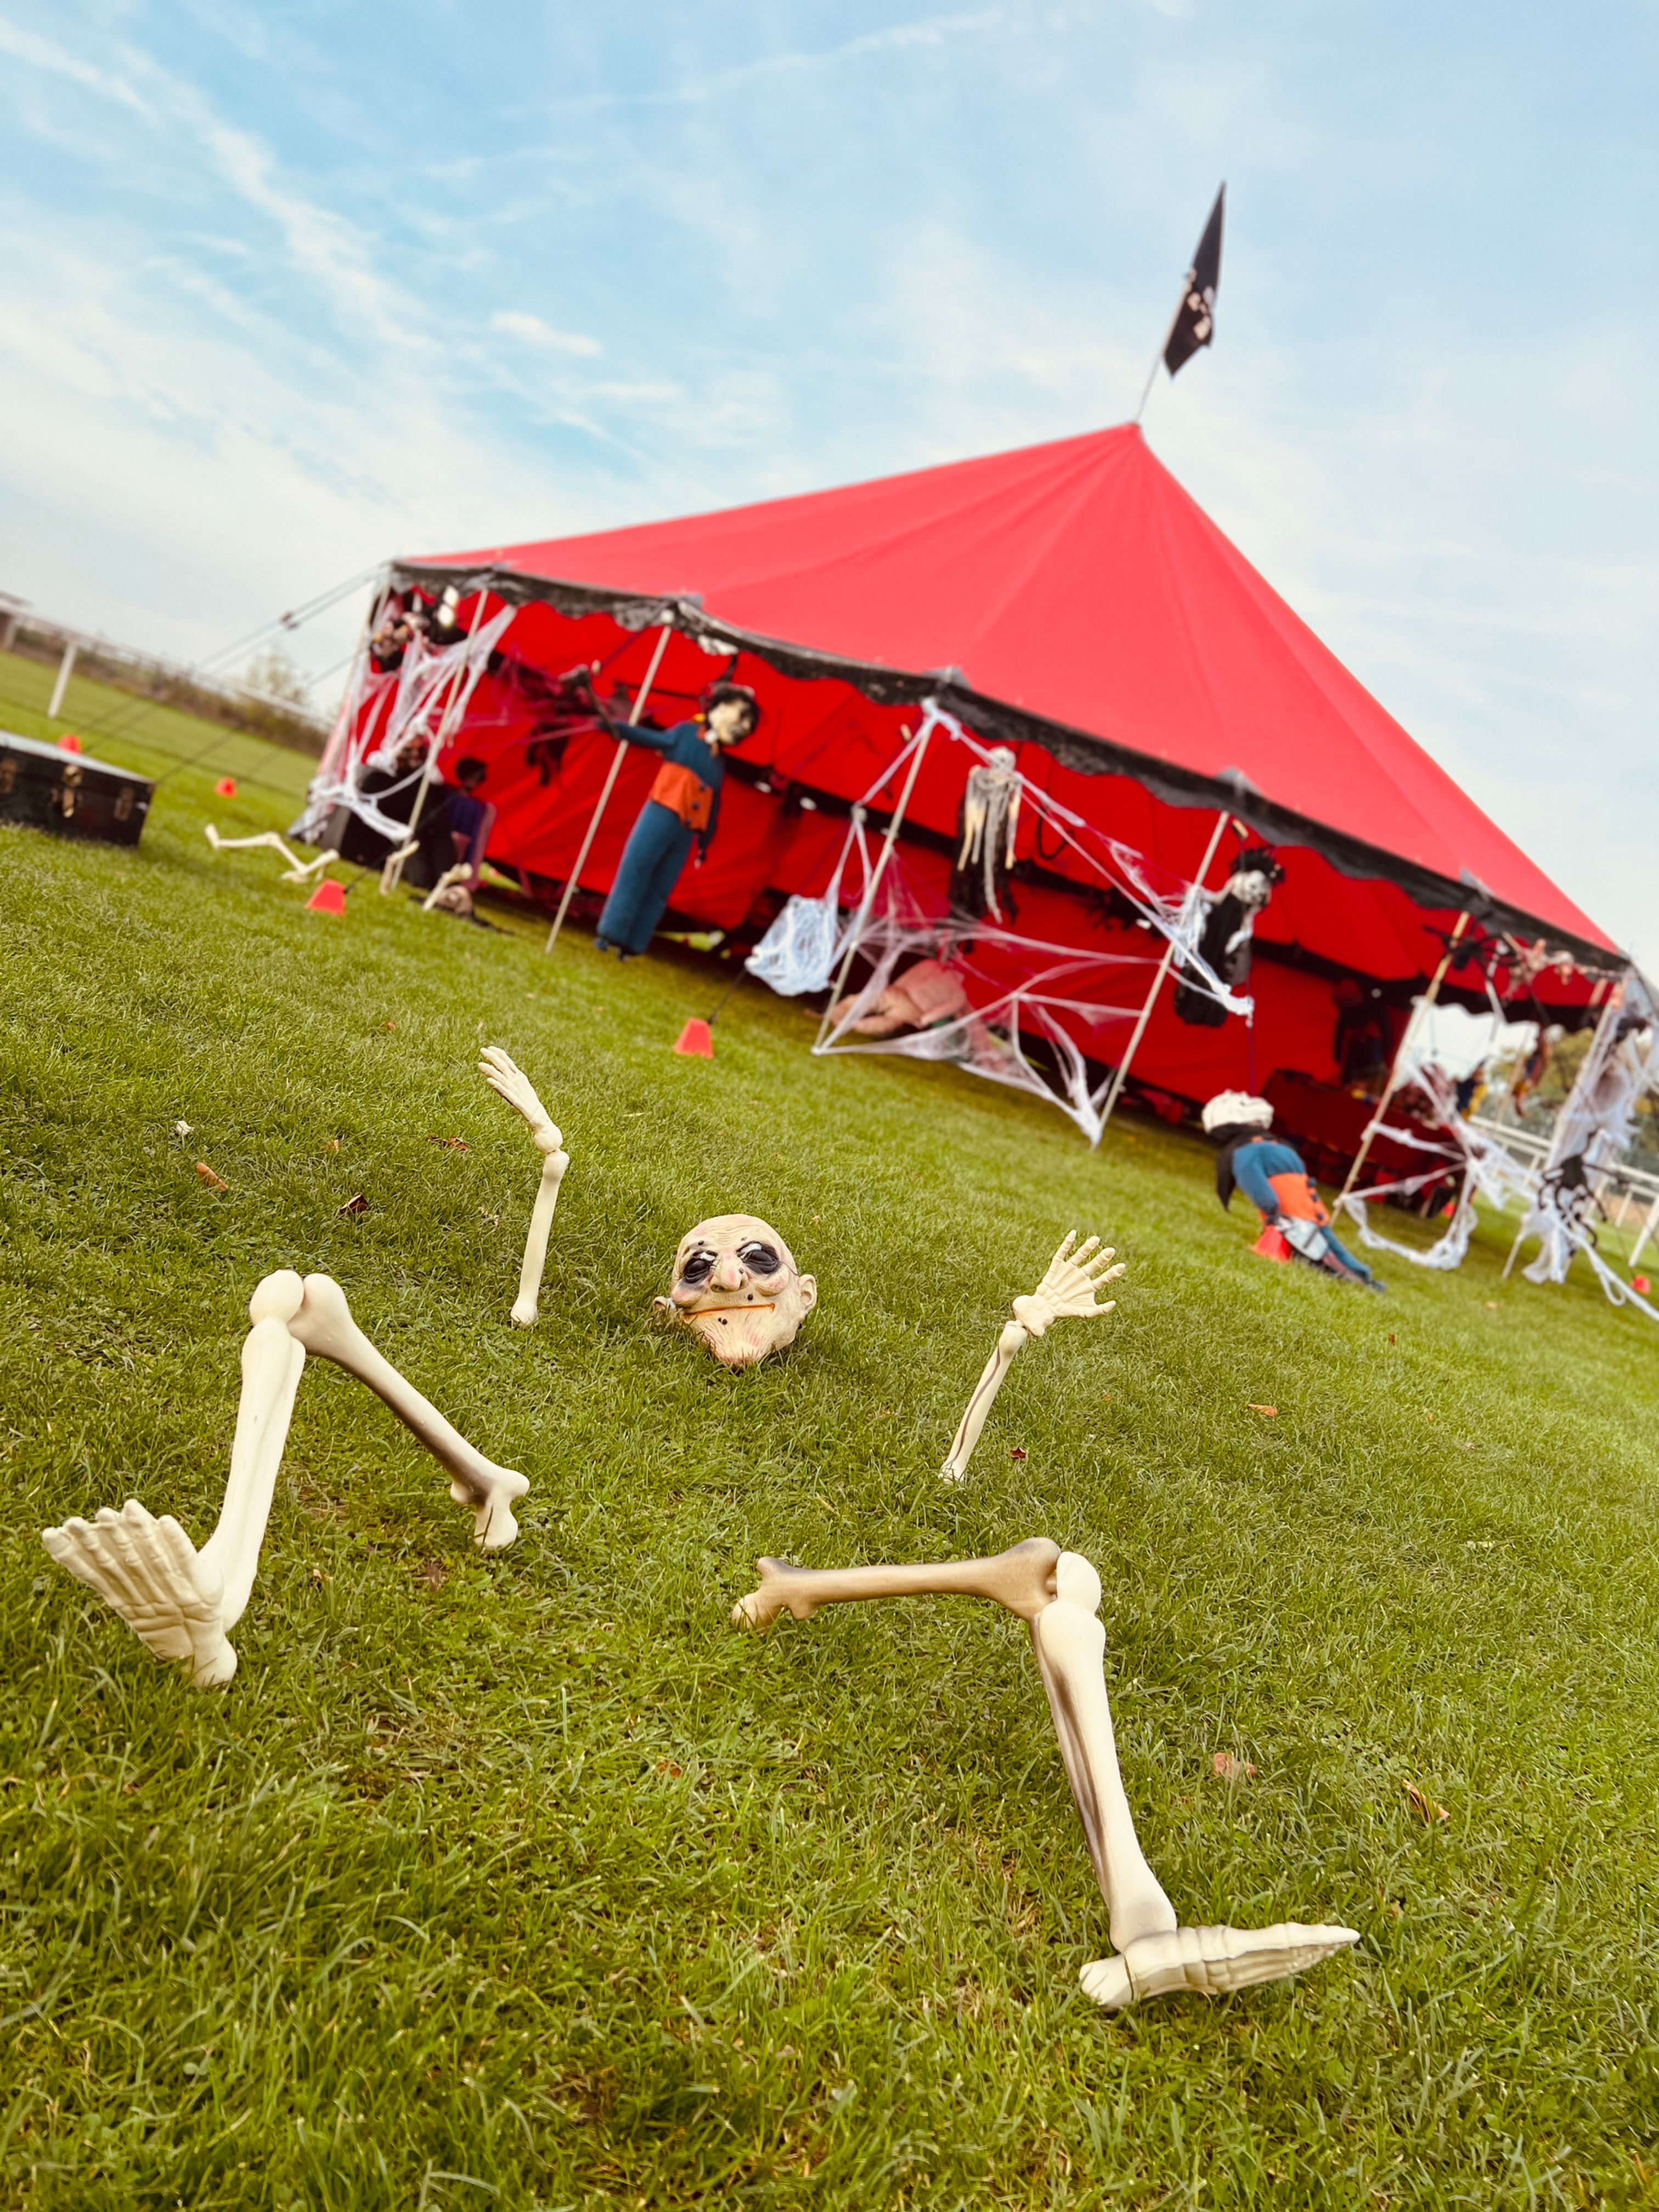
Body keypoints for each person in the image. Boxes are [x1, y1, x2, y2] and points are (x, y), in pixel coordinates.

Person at [594, 681, 760, 959]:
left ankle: (633, 943)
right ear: (719, 708)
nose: (742, 726)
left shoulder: (719, 763)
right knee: (636, 870)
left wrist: (705, 843)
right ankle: (610, 932)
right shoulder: (685, 734)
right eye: (739, 716)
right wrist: (615, 728)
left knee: (660, 887)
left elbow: (713, 808)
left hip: (686, 830)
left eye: (748, 724)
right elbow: (648, 738)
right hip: (662, 812)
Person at [1201, 1091, 1383, 1288]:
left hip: (1294, 1223)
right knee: (1335, 1249)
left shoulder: (1246, 1154)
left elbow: (1266, 1196)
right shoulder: (1282, 1147)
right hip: (1315, 1212)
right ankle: (1363, 1275)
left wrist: (1273, 1217)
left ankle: (1364, 1283)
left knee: (1324, 1261)